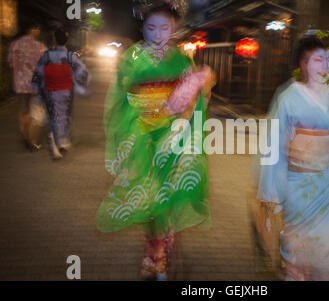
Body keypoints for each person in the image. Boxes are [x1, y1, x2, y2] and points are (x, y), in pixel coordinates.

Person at [95, 0, 215, 280]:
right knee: (147, 198)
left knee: (165, 195)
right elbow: (119, 98)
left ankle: (158, 253)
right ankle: (156, 253)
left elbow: (195, 100)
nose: (158, 33)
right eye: (151, 27)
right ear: (143, 27)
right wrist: (132, 125)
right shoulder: (131, 58)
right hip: (141, 135)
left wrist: (198, 89)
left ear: (173, 27)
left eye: (164, 27)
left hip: (170, 138)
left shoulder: (181, 59)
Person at [256, 35, 329, 281]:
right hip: (298, 187)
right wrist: (269, 193)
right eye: (318, 60)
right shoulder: (288, 97)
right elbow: (274, 145)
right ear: (303, 63)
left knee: (326, 260)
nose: (325, 66)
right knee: (296, 256)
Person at [31, 28, 90, 159]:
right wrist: (77, 81)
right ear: (67, 40)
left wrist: (37, 88)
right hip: (66, 91)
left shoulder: (46, 55)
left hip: (50, 90)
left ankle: (54, 141)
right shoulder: (69, 56)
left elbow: (39, 72)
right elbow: (82, 71)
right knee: (65, 115)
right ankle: (62, 141)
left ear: (54, 39)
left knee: (52, 116)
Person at [8, 24, 47, 151]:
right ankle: (33, 142)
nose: (38, 31)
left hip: (20, 85)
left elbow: (11, 64)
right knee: (36, 114)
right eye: (37, 28)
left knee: (23, 111)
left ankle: (25, 137)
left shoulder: (14, 45)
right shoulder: (41, 47)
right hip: (36, 86)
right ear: (33, 30)